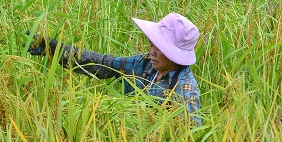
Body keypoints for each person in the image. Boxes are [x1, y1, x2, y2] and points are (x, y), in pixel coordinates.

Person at [26, 12, 203, 126]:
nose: (152, 52)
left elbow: (189, 137)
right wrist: (57, 50)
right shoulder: (143, 63)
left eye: (160, 49)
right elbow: (102, 64)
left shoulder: (184, 88)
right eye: (151, 45)